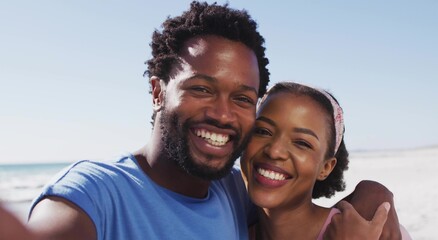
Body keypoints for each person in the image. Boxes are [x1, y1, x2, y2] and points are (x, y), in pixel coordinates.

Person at [0, 2, 401, 239]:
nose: (223, 114)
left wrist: (375, 196)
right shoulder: (97, 194)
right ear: (157, 91)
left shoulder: (232, 192)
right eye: (202, 89)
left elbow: (349, 202)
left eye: (242, 98)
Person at [241, 82, 411, 239]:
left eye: (302, 143)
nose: (274, 151)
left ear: (326, 167)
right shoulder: (231, 230)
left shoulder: (373, 234)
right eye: (263, 131)